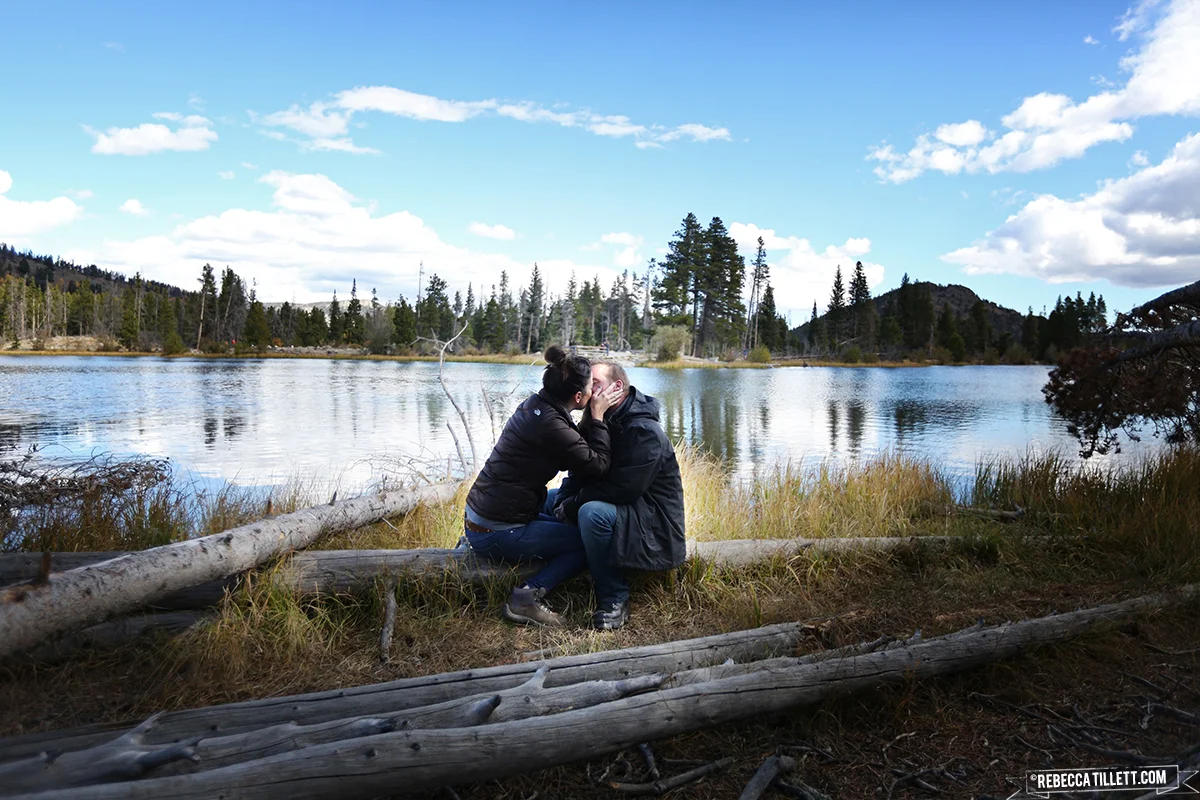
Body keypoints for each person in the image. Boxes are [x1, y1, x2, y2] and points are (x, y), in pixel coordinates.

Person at [463, 345, 624, 627]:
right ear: (579, 397)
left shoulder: (536, 405)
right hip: (498, 530)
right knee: (587, 542)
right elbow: (598, 465)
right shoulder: (552, 426)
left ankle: (476, 542)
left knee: (559, 505)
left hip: (484, 515)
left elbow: (573, 446)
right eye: (592, 388)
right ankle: (526, 597)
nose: (595, 393)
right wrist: (597, 417)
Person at [552, 360, 686, 630]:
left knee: (591, 513)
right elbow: (582, 470)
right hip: (628, 508)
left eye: (596, 384)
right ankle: (524, 561)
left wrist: (572, 506)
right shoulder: (601, 418)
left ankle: (614, 596)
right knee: (549, 498)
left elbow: (623, 489)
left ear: (617, 387)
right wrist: (562, 502)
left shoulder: (644, 431)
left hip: (653, 522)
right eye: (587, 384)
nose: (588, 390)